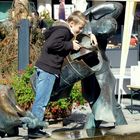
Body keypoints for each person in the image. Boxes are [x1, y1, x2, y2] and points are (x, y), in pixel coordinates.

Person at [28, 10, 88, 138]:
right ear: (71, 23)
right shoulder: (64, 31)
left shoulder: (61, 30)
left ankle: (35, 128)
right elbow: (51, 45)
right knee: (41, 101)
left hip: (45, 68)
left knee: (41, 100)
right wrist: (70, 45)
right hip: (49, 69)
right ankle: (33, 131)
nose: (80, 30)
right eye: (80, 28)